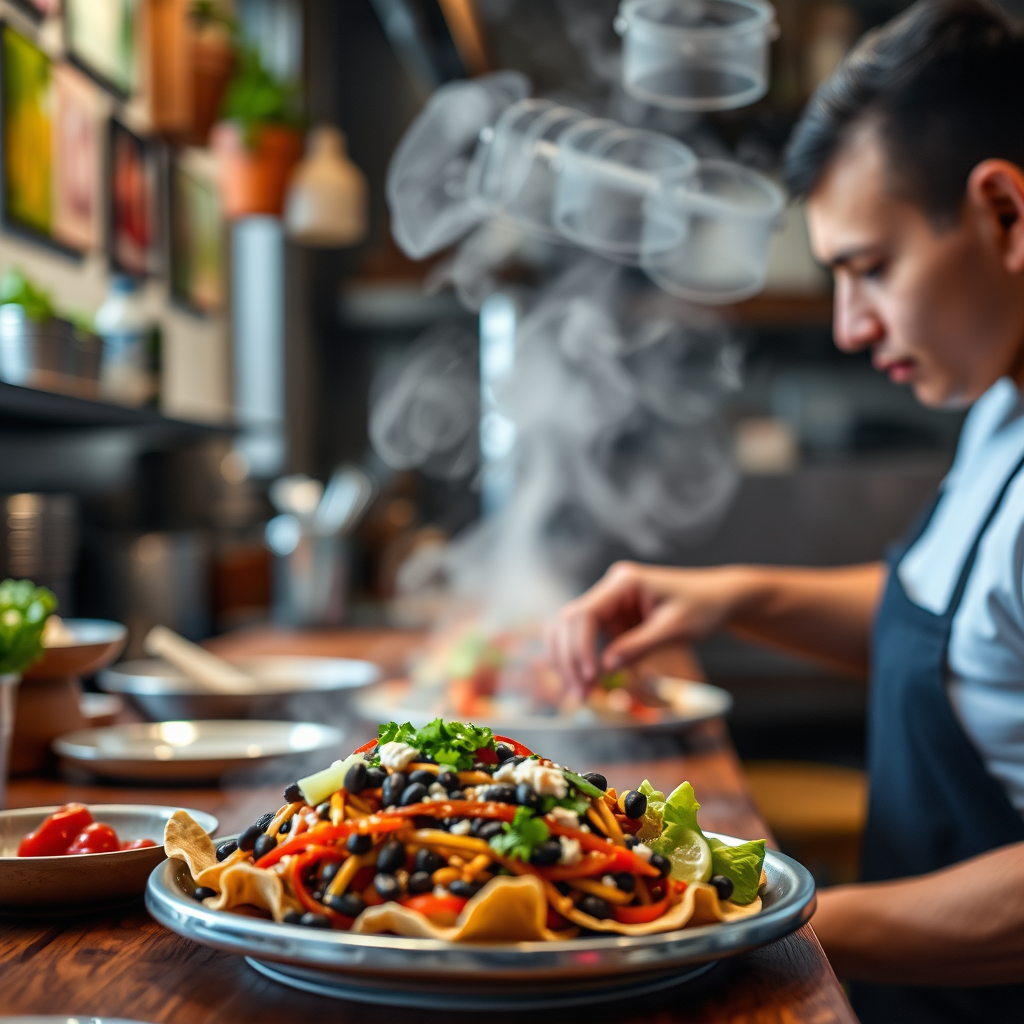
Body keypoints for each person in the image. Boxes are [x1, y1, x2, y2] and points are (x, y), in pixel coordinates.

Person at [545, 1, 1024, 1020]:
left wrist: (748, 921)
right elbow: (966, 631)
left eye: (869, 268)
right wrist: (729, 595)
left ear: (1004, 216)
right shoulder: (998, 409)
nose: (851, 326)